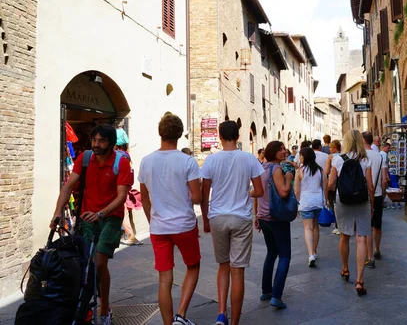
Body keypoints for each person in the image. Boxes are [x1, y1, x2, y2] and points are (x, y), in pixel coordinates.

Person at [50, 124, 132, 325]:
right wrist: (57, 212)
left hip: (110, 218)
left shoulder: (120, 162)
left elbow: (122, 196)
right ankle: (84, 307)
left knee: (99, 263)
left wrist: (101, 213)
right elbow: (68, 186)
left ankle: (104, 310)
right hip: (87, 217)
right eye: (94, 140)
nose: (96, 144)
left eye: (101, 141)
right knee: (87, 264)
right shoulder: (84, 159)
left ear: (111, 144)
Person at [138, 113, 202, 325]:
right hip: (184, 224)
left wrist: (152, 220)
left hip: (158, 228)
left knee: (164, 279)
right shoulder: (187, 162)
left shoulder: (146, 162)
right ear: (179, 135)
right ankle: (181, 315)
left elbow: (144, 198)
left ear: (160, 133)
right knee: (193, 266)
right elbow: (196, 197)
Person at [200, 121, 265, 325]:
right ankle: (235, 321)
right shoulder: (249, 159)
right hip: (241, 218)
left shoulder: (211, 161)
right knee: (238, 271)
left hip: (218, 217)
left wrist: (205, 218)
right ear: (238, 136)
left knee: (223, 266)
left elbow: (204, 194)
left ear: (219, 137)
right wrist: (245, 193)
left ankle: (221, 313)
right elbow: (260, 191)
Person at [327, 130, 374, 297]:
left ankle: (345, 269)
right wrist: (372, 206)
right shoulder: (365, 159)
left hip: (343, 200)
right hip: (362, 200)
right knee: (361, 238)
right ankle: (360, 280)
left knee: (344, 235)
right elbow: (370, 186)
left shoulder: (338, 159)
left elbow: (331, 184)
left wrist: (329, 200)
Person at [254, 141, 294, 309]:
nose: (285, 151)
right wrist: (289, 177)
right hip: (276, 218)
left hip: (263, 216)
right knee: (285, 255)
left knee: (271, 253)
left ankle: (266, 290)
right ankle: (276, 296)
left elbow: (257, 193)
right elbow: (284, 191)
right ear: (274, 152)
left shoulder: (261, 167)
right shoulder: (276, 169)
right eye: (281, 149)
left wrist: (256, 215)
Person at [295, 148, 326, 268]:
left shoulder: (300, 171)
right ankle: (314, 251)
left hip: (305, 202)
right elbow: (325, 185)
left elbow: (297, 190)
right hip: (318, 201)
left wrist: (296, 204)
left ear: (304, 157)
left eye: (301, 156)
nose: (300, 158)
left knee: (307, 228)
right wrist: (325, 200)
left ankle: (310, 255)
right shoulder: (320, 170)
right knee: (315, 227)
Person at [362, 132, 388, 268]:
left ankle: (369, 255)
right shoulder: (379, 156)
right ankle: (377, 249)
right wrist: (383, 194)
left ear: (362, 140)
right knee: (377, 225)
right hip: (377, 194)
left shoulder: (360, 156)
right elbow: (384, 180)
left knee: (366, 227)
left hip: (364, 196)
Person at [324, 139, 342, 235]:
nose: (330, 149)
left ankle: (338, 226)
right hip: (342, 184)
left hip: (333, 183)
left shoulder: (330, 157)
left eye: (331, 147)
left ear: (335, 148)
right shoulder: (343, 155)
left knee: (333, 204)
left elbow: (327, 171)